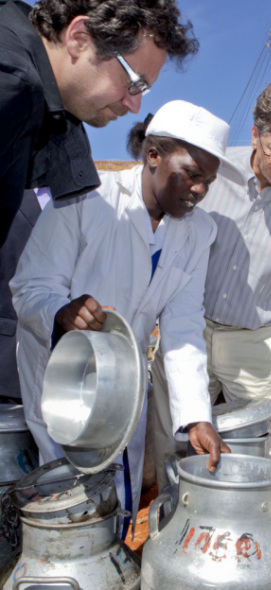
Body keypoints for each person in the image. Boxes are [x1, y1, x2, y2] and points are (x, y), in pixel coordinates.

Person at [10, 100, 242, 533]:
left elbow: (184, 327)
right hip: (66, 381)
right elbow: (30, 288)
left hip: (125, 381)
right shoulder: (86, 198)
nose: (198, 190)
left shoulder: (199, 232)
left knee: (119, 496)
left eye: (207, 181)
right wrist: (61, 312)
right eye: (191, 173)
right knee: (67, 503)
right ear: (152, 155)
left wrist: (196, 415)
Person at [150, 77, 271, 480]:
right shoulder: (213, 170)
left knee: (247, 460)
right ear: (256, 134)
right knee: (171, 444)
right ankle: (169, 525)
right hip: (188, 333)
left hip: (260, 345)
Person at [0, 0, 197, 403]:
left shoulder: (53, 109)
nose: (135, 104)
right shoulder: (12, 87)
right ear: (78, 38)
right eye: (133, 82)